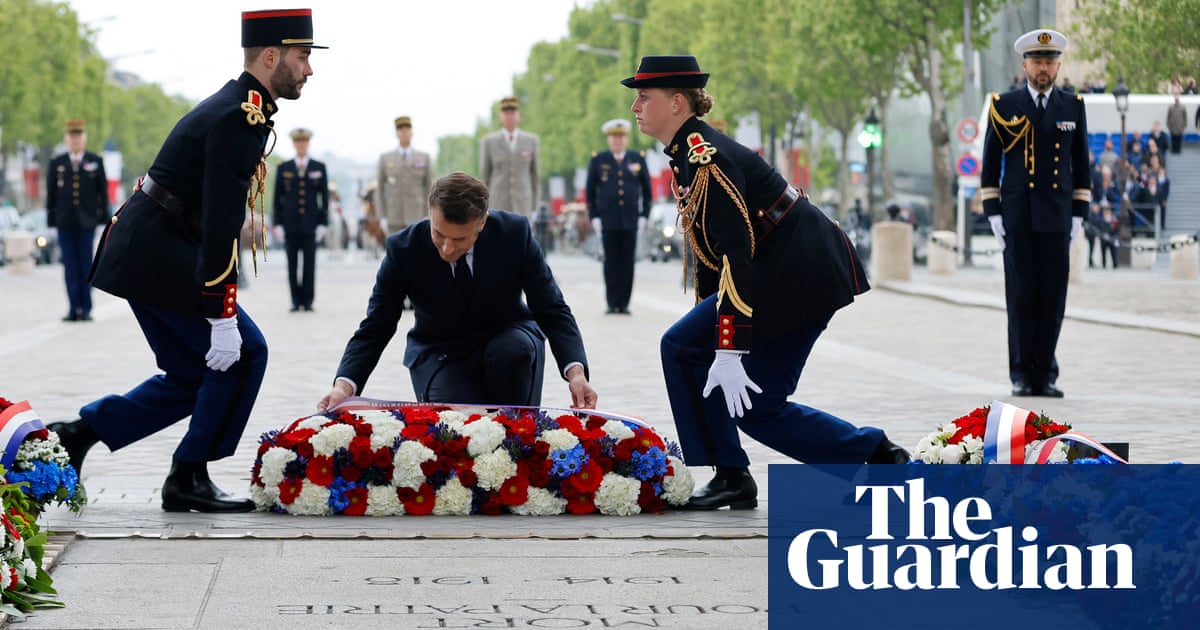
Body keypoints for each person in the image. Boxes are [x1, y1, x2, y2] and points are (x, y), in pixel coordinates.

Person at [48, 8, 325, 513]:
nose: (309, 68)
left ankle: (78, 434)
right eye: (302, 56)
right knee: (244, 353)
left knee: (193, 373)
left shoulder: (242, 107)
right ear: (270, 56)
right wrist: (221, 314)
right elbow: (221, 222)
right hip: (159, 253)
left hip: (147, 249)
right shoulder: (239, 116)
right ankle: (189, 475)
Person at [622, 55, 909, 511]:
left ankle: (749, 471)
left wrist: (728, 347)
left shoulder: (706, 157)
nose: (635, 107)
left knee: (727, 381)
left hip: (802, 274)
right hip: (780, 271)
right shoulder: (687, 154)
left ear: (676, 103)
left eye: (643, 97)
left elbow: (736, 254)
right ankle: (861, 456)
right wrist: (714, 334)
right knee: (723, 378)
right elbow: (710, 256)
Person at [317, 171, 597, 411]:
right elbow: (376, 325)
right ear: (430, 213)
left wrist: (576, 373)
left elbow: (551, 308)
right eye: (439, 234)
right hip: (440, 351)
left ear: (482, 222)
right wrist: (344, 386)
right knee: (456, 426)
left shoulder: (514, 234)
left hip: (507, 341)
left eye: (460, 239)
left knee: (513, 354)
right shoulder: (403, 249)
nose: (447, 248)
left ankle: (517, 433)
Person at [981, 29, 1089, 399]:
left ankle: (1046, 373)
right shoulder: (1003, 105)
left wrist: (1079, 213)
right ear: (1025, 65)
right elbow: (989, 165)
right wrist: (993, 213)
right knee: (1021, 298)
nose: (1044, 68)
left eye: (1050, 62)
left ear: (1058, 66)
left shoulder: (1073, 106)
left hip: (1057, 216)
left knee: (1053, 299)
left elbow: (1082, 165)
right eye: (1037, 61)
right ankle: (1021, 374)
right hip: (1018, 216)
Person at [585, 118, 652, 315]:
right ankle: (612, 302)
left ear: (626, 139)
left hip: (630, 220)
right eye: (614, 137)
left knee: (627, 263)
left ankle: (624, 303)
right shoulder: (599, 159)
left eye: (621, 137)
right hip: (608, 220)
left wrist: (644, 215)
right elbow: (590, 191)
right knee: (611, 263)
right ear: (608, 139)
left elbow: (647, 190)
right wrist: (594, 217)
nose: (617, 140)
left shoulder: (637, 158)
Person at [46, 118, 109, 322]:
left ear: (84, 139)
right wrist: (51, 222)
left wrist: (104, 220)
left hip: (87, 222)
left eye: (78, 136)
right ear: (66, 139)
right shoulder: (57, 163)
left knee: (86, 265)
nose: (75, 140)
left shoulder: (94, 160)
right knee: (70, 267)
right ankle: (73, 308)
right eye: (71, 137)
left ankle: (86, 308)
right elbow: (51, 195)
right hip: (64, 222)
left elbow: (103, 193)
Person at [273, 127, 328, 312]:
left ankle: (308, 300)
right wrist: (277, 223)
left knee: (309, 264)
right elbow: (277, 198)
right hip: (290, 223)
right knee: (292, 264)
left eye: (304, 142)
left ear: (308, 144)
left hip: (311, 224)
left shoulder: (318, 167)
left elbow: (324, 198)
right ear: (294, 144)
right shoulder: (284, 167)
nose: (301, 145)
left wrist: (322, 223)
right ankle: (295, 300)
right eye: (298, 142)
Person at [479, 96, 540, 220]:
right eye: (506, 113)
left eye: (512, 112)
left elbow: (535, 177)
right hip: (497, 203)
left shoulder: (531, 141)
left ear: (519, 115)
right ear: (500, 116)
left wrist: (534, 207)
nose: (509, 116)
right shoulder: (489, 142)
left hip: (523, 204)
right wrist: (484, 206)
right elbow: (485, 177)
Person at [374, 116, 434, 236]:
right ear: (396, 133)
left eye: (407, 129)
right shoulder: (386, 158)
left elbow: (429, 188)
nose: (404, 132)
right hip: (393, 216)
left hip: (417, 215)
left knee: (416, 247)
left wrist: (429, 214)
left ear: (412, 132)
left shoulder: (424, 158)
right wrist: (382, 216)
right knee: (394, 247)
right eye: (401, 129)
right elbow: (379, 189)